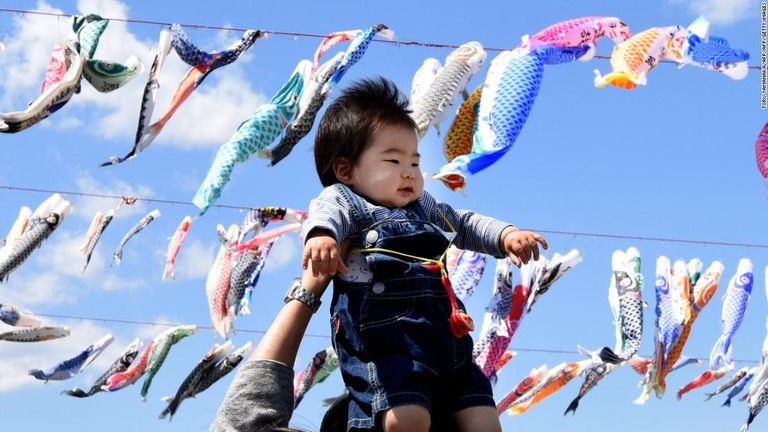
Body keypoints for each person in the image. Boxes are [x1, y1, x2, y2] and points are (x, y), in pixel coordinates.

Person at [299, 76, 548, 432]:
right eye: (393, 161)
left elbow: (462, 223)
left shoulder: (423, 206)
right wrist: (321, 238)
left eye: (414, 163)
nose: (409, 173)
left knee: (485, 422)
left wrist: (505, 235)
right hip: (387, 342)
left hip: (447, 340)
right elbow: (326, 218)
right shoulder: (346, 201)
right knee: (406, 419)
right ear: (346, 170)